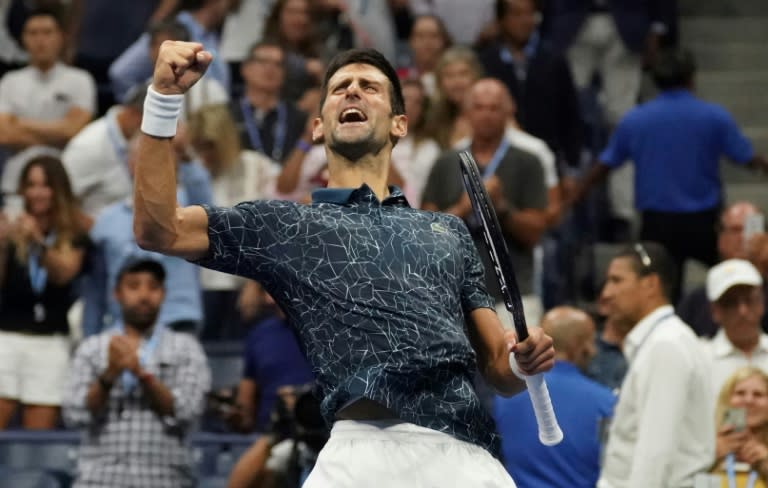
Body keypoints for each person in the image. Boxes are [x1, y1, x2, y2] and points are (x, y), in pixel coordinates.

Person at [133, 43, 554, 487]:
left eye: (369, 87)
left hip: (464, 459)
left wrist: (523, 361)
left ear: (399, 124)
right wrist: (162, 97)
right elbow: (158, 230)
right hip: (356, 460)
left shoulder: (447, 232)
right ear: (317, 127)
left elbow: (498, 371)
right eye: (339, 88)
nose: (353, 91)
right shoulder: (285, 225)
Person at [573, 48, 768, 302]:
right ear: (691, 78)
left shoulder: (635, 119)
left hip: (658, 224)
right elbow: (747, 158)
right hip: (703, 221)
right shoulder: (713, 116)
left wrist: (575, 195)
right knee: (729, 279)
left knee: (659, 293)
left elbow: (605, 165)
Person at [63, 258, 211, 488]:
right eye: (133, 286)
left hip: (164, 479)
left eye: (153, 287)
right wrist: (109, 374)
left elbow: (188, 412)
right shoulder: (92, 348)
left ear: (163, 294)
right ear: (116, 294)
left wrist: (142, 374)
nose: (144, 295)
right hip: (100, 479)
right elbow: (75, 414)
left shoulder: (186, 348)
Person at [423, 78, 548, 328]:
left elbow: (535, 232)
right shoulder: (445, 162)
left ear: (508, 112)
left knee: (516, 366)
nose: (486, 115)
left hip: (513, 296)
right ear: (467, 112)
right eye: (479, 107)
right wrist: (466, 205)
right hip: (453, 293)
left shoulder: (528, 161)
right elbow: (427, 234)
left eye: (494, 108)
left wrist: (500, 207)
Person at [598, 242, 713, 487]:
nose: (606, 294)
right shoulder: (662, 341)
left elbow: (655, 454)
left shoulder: (666, 345)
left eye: (617, 281)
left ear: (650, 284)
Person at [83, 133, 211, 336]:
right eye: (144, 156)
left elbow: (210, 211)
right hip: (123, 324)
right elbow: (96, 288)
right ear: (130, 163)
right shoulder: (106, 221)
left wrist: (185, 157)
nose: (152, 163)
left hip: (178, 318)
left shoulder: (188, 204)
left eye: (161, 156)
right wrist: (89, 336)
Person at [0, 155, 89, 429]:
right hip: (6, 337)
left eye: (45, 185)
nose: (37, 192)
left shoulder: (74, 231)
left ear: (58, 189)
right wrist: (2, 245)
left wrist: (37, 243)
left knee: (36, 441)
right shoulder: (9, 229)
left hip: (51, 342)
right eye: (30, 185)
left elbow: (63, 273)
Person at [495, 306, 616, 487]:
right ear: (575, 346)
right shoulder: (606, 402)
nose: (593, 351)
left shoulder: (504, 397)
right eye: (590, 342)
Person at [0, 6, 96, 197]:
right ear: (23, 39)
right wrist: (57, 133)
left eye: (47, 33)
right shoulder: (9, 82)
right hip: (16, 181)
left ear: (61, 37)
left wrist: (20, 122)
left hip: (66, 178)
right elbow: (4, 134)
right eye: (33, 33)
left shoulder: (80, 80)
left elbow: (75, 131)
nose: (40, 40)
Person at [478, 0, 582, 169]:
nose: (524, 21)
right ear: (502, 20)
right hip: (498, 161)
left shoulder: (554, 60)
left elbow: (570, 115)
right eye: (517, 14)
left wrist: (571, 165)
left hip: (548, 160)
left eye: (529, 14)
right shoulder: (486, 61)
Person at [678, 202, 768, 337]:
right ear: (720, 237)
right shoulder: (697, 301)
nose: (743, 237)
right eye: (735, 230)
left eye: (750, 230)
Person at [61, 83, 147, 218]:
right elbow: (61, 199)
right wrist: (97, 229)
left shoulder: (135, 139)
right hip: (99, 235)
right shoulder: (88, 147)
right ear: (135, 115)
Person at [702, 259, 768, 403]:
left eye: (749, 300)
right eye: (731, 303)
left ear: (762, 302)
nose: (742, 311)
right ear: (715, 311)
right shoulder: (700, 361)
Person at [232, 40, 308, 166]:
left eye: (278, 64)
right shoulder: (227, 114)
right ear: (244, 68)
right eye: (262, 61)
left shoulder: (298, 118)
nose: (270, 68)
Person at [709, 367, 768, 486]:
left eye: (758, 394)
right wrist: (711, 455)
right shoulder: (702, 443)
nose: (749, 400)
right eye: (740, 393)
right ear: (726, 399)